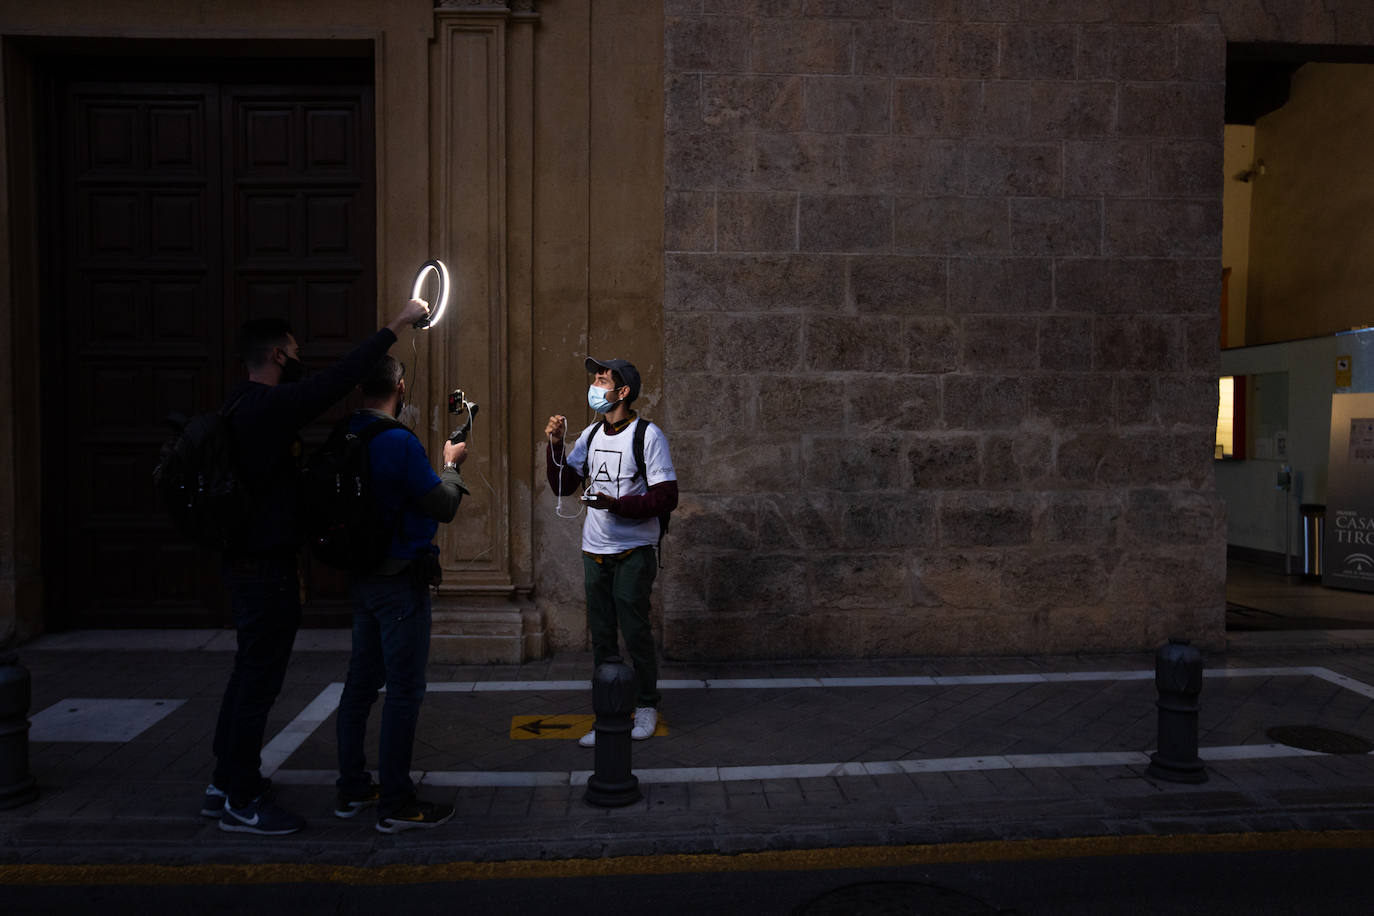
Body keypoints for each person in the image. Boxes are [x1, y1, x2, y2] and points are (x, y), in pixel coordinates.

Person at [206, 298, 431, 836]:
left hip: (245, 563)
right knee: (259, 681)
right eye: (297, 352)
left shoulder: (237, 405)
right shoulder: (268, 407)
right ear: (280, 354)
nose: (301, 359)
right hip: (265, 569)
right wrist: (398, 323)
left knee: (248, 675)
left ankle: (226, 782)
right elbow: (342, 378)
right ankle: (241, 799)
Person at [333, 355, 468, 834]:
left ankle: (351, 788)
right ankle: (396, 801)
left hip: (363, 577)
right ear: (400, 386)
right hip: (399, 582)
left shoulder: (346, 432)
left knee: (360, 683)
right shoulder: (396, 441)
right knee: (404, 691)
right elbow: (443, 505)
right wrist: (451, 467)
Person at [544, 357, 678, 747]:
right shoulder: (589, 434)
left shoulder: (647, 436)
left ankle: (647, 705)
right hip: (594, 550)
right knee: (602, 638)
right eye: (595, 379)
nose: (595, 385)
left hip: (633, 549)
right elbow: (564, 484)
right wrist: (556, 445)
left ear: (622, 392)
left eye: (602, 380)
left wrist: (615, 505)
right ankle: (609, 713)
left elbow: (666, 497)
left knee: (635, 631)